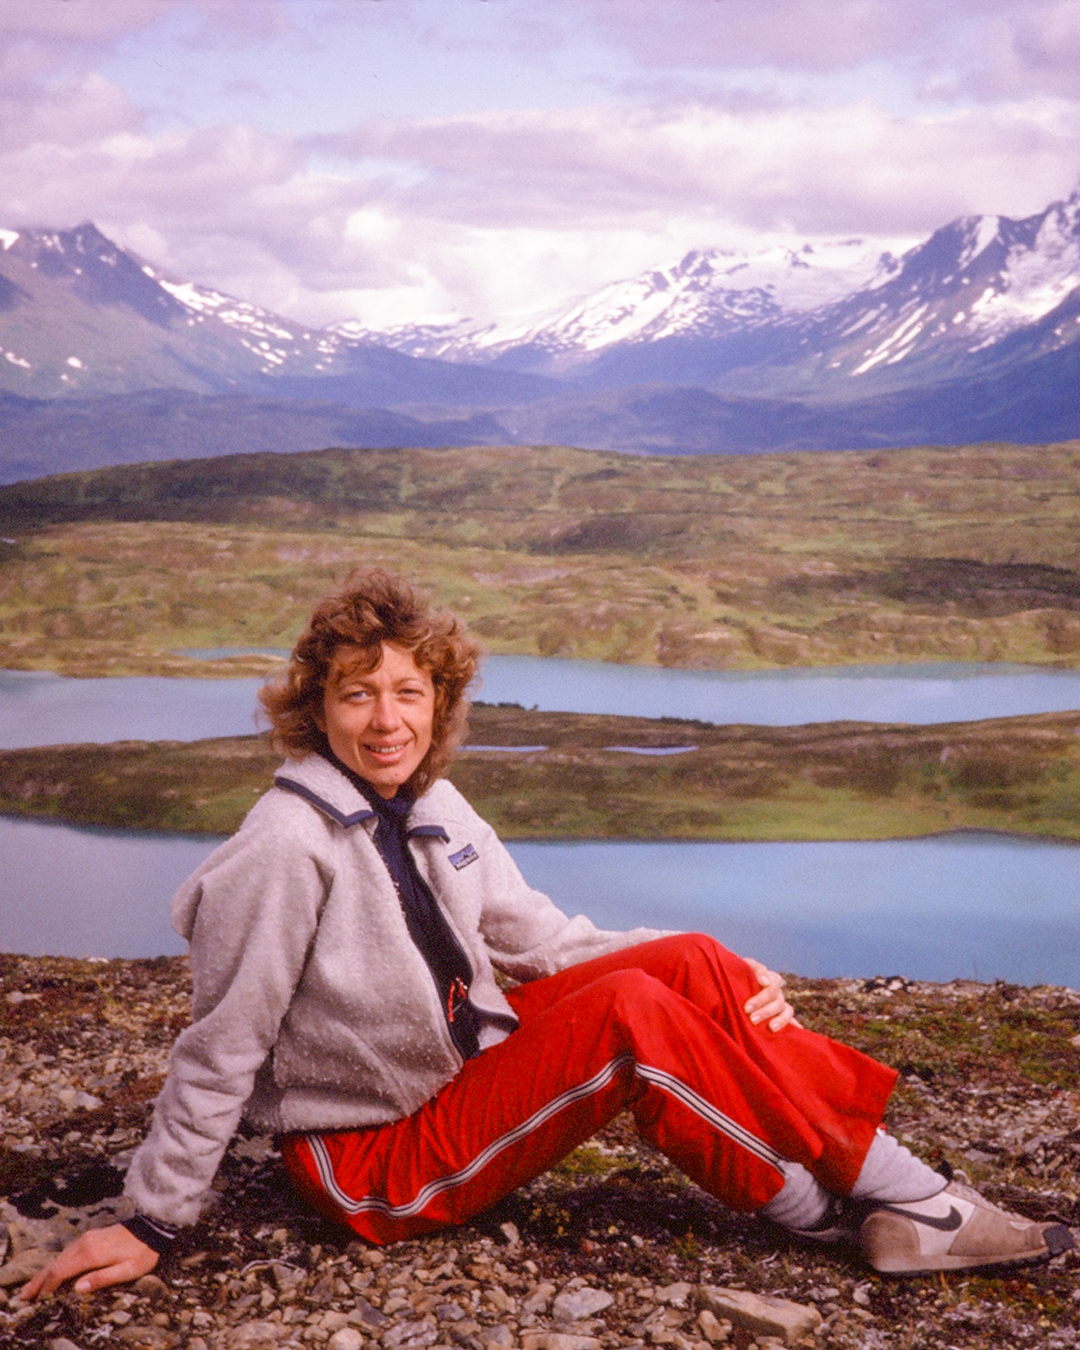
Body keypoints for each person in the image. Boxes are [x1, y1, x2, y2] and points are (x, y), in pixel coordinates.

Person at [24, 568, 1072, 1301]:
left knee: (687, 960)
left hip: (451, 1077)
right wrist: (152, 1219)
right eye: (358, 696)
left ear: (440, 702)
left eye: (409, 692)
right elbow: (225, 1042)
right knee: (627, 1021)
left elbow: (550, 942)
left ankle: (879, 1189)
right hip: (372, 1159)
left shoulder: (436, 806)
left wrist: (725, 973)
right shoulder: (281, 849)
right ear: (317, 710)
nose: (387, 720)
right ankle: (866, 1205)